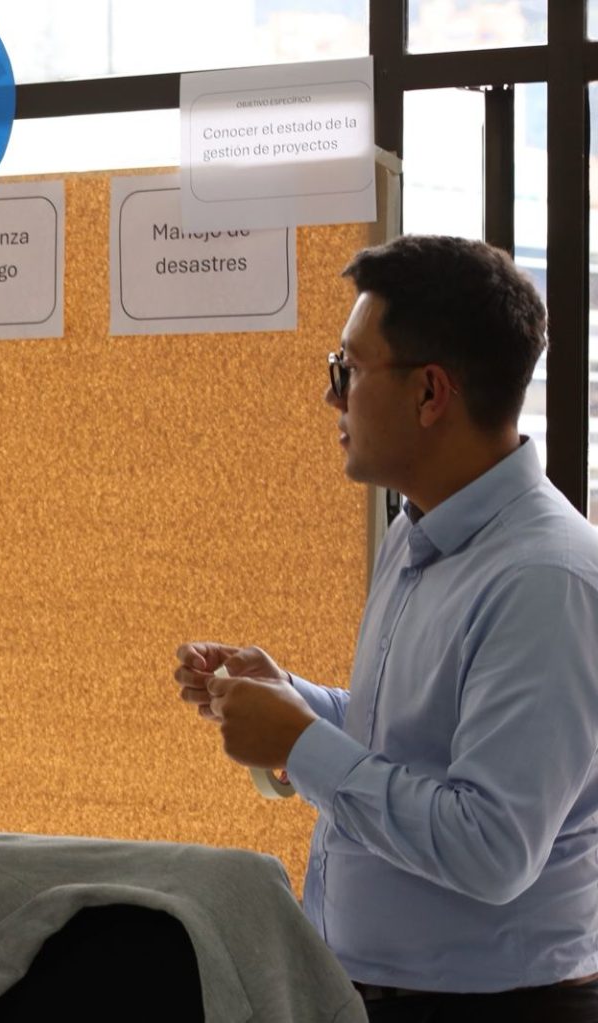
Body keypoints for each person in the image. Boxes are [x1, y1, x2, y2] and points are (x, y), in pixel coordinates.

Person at [171, 235, 598, 1022]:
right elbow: (408, 741)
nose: (330, 398)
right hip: (366, 991)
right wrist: (291, 699)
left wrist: (300, 742)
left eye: (348, 370)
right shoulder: (416, 529)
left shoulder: (545, 580)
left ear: (430, 392)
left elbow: (490, 846)